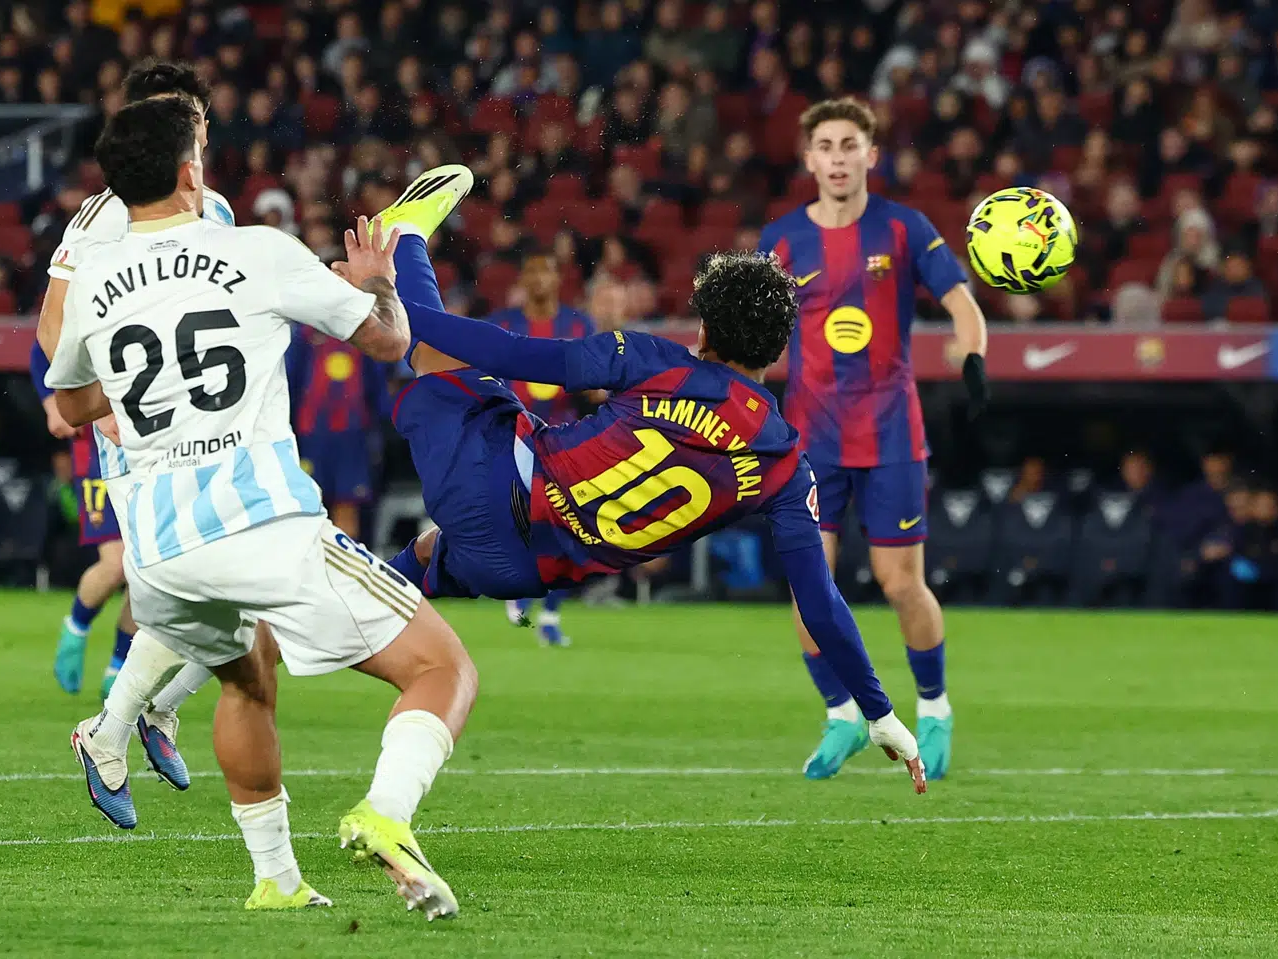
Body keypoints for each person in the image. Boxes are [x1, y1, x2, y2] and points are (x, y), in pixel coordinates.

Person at [47, 97, 477, 918]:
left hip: (160, 556)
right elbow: (389, 342)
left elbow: (69, 405)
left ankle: (275, 880)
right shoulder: (254, 250)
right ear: (189, 173)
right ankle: (387, 812)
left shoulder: (97, 276)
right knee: (442, 667)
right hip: (264, 524)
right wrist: (378, 285)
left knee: (245, 679)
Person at [372, 164, 926, 794]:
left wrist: (388, 301)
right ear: (779, 350)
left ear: (705, 329)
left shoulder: (654, 360)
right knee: (427, 555)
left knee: (439, 358)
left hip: (497, 487)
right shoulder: (786, 468)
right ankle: (331, 605)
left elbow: (509, 352)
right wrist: (880, 713)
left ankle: (404, 239)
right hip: (525, 571)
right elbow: (820, 603)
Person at [757, 98, 989, 782]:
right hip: (810, 442)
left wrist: (972, 358)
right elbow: (748, 328)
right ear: (809, 159)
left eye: (848, 144)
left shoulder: (903, 228)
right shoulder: (781, 242)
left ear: (869, 155)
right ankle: (842, 715)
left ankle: (935, 707)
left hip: (890, 433)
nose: (836, 156)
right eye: (824, 144)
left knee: (899, 583)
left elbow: (962, 304)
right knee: (809, 586)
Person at [30, 60, 234, 791]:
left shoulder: (220, 213)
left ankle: (141, 716)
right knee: (182, 586)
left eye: (193, 113)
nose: (189, 127)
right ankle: (119, 721)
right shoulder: (106, 212)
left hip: (209, 432)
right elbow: (54, 328)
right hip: (140, 440)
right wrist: (106, 401)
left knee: (240, 591)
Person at [489, 250, 597, 646]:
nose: (539, 278)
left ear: (557, 278)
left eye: (546, 270)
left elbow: (596, 378)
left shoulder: (578, 324)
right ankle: (523, 593)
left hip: (567, 439)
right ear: (522, 278)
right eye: (531, 269)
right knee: (528, 523)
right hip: (513, 437)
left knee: (572, 524)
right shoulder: (501, 324)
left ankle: (550, 613)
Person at [287, 329, 391, 542]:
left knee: (346, 512)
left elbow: (377, 391)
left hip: (350, 437)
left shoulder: (363, 331)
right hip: (312, 437)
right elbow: (289, 385)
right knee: (310, 510)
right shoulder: (302, 335)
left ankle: (345, 571)